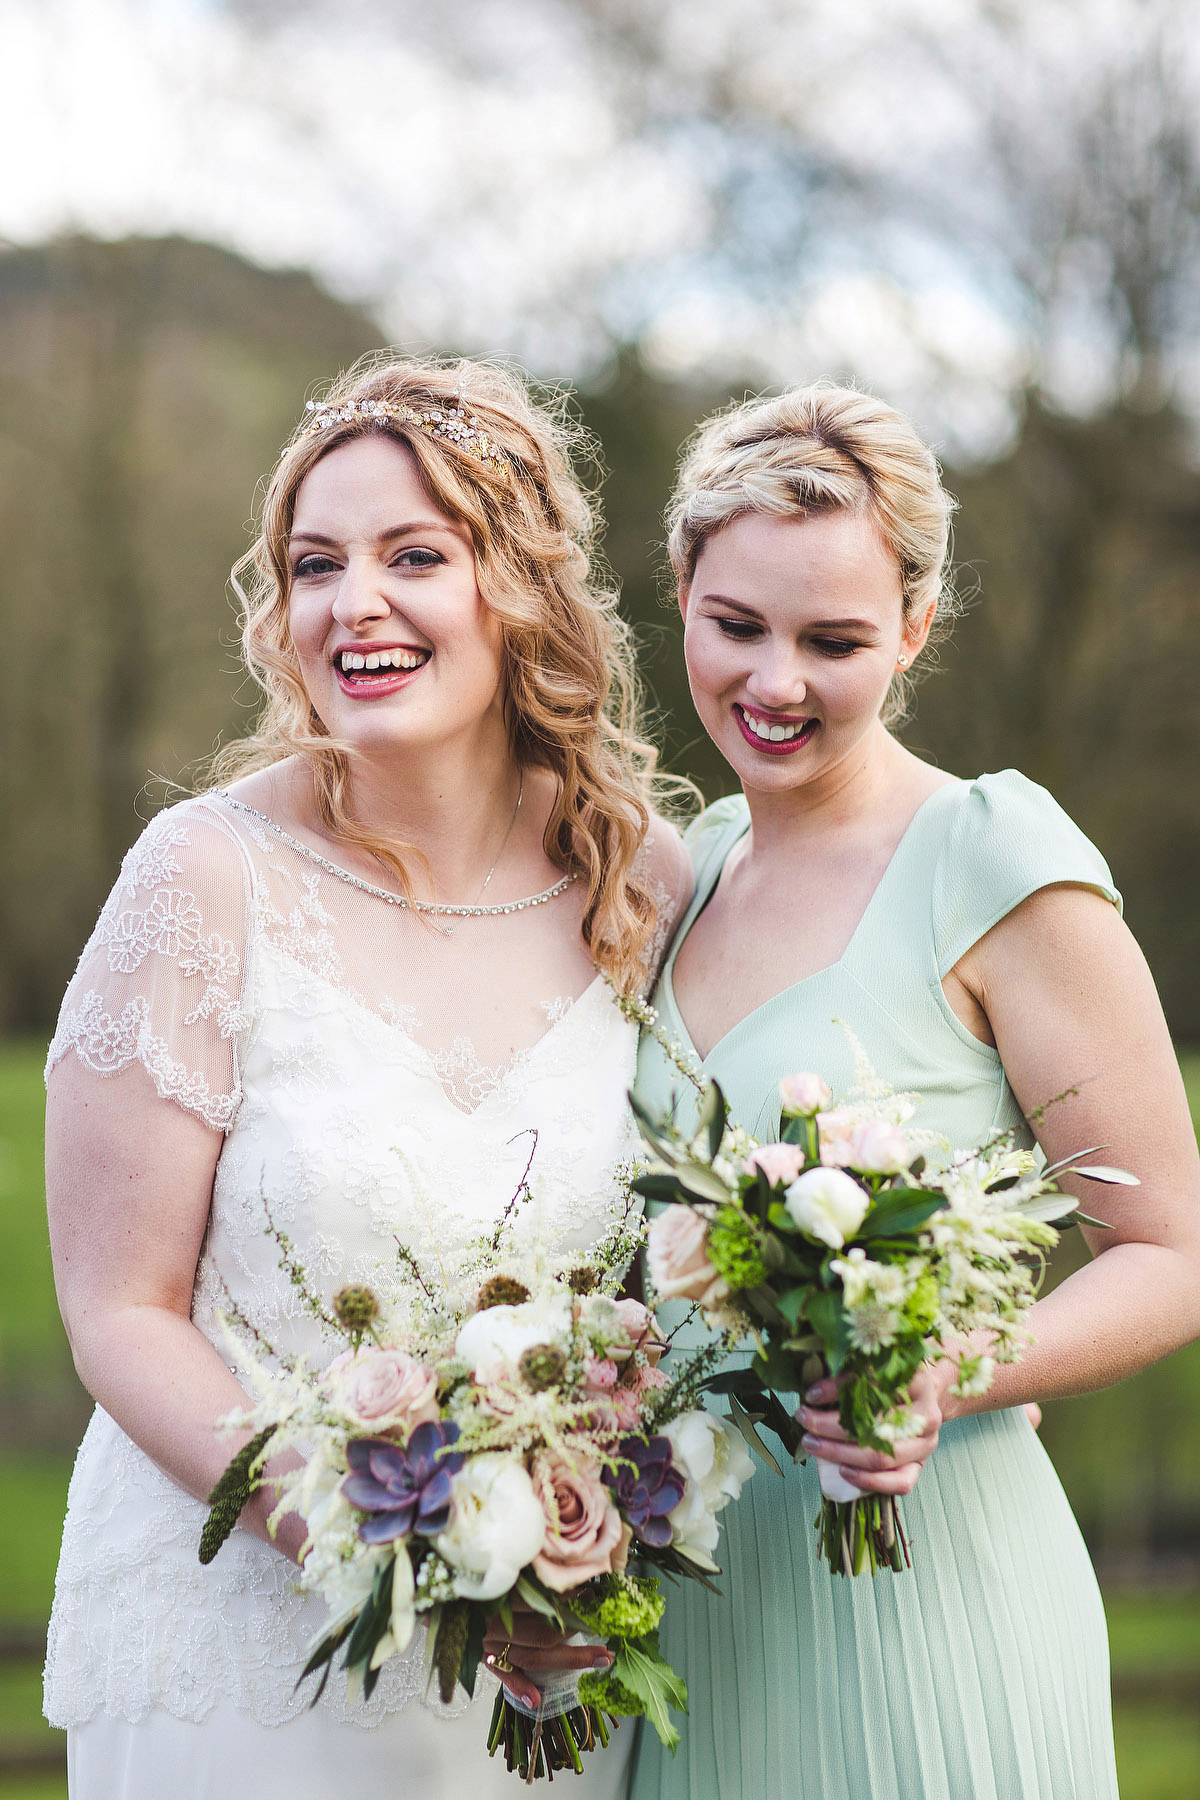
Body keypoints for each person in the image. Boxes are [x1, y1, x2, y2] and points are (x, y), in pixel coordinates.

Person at [43, 354, 690, 1799]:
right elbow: (119, 1311)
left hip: (551, 1675)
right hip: (244, 1660)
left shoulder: (638, 881)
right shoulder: (204, 881)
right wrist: (388, 1540)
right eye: (315, 564)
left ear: (516, 585)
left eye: (415, 555)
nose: (356, 604)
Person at [630, 383, 1200, 1800]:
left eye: (834, 641)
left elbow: (1174, 1252)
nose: (775, 683)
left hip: (926, 1577)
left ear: (916, 630)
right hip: (695, 1603)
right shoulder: (677, 877)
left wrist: (942, 1377)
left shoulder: (992, 862)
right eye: (737, 625)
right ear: (682, 594)